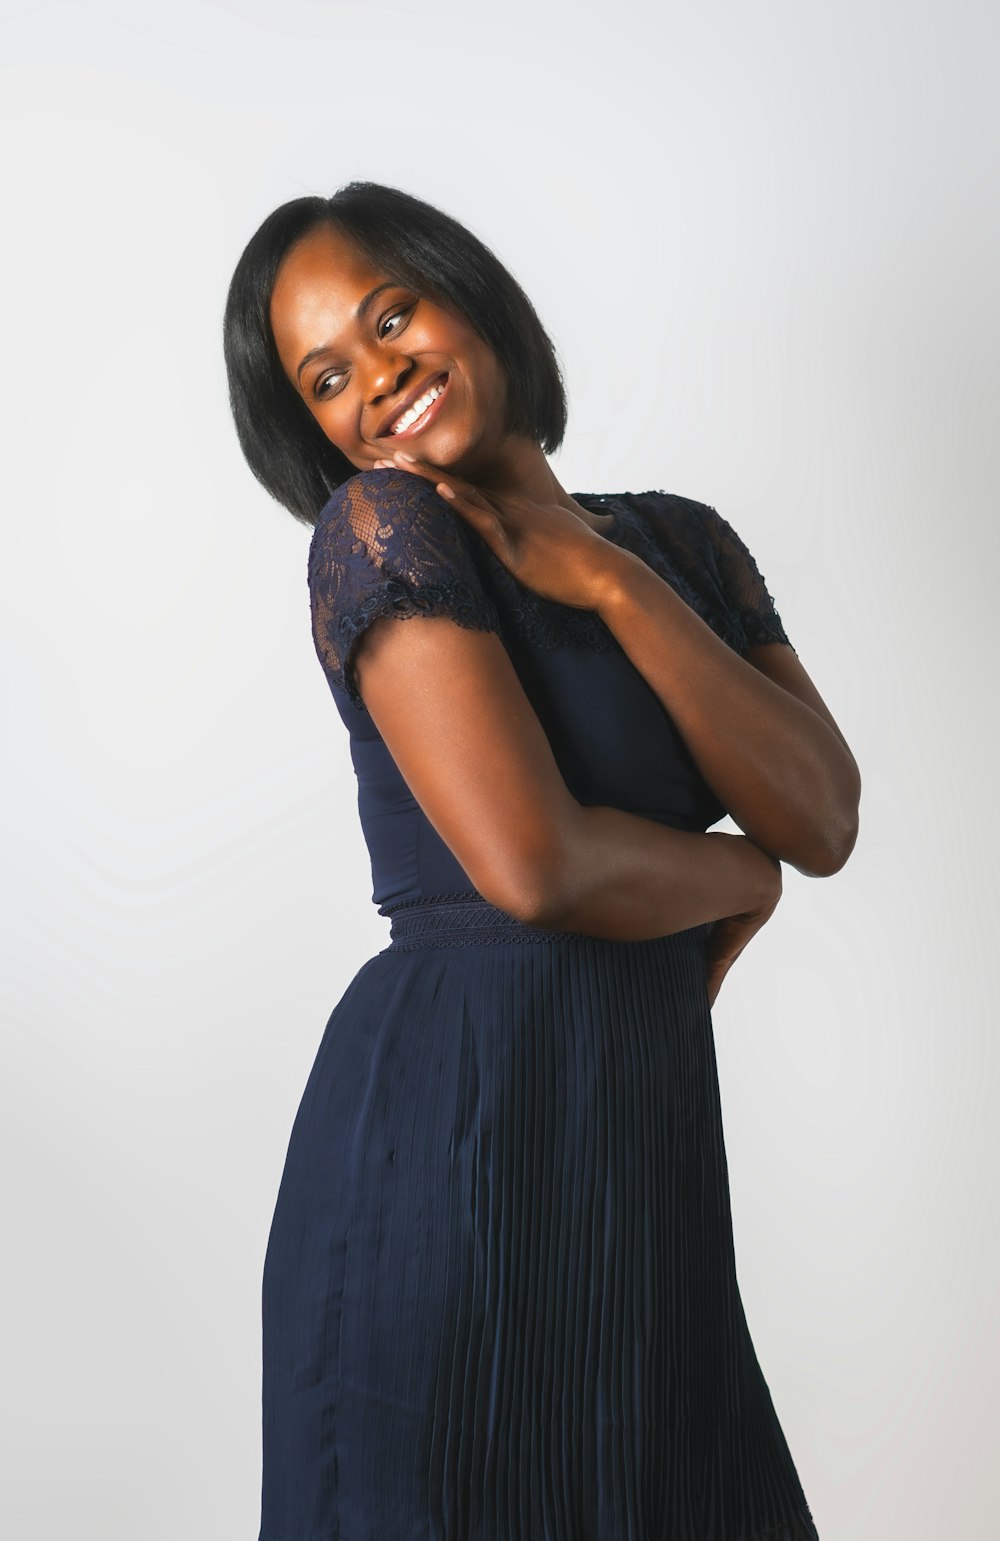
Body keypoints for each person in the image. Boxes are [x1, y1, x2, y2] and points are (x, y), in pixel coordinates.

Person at [224, 179, 860, 1541]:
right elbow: (536, 864)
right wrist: (738, 881)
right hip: (444, 1159)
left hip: (639, 1174)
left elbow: (821, 815)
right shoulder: (384, 536)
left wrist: (607, 576)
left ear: (471, 294)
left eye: (393, 314)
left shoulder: (680, 542)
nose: (378, 376)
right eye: (326, 375)